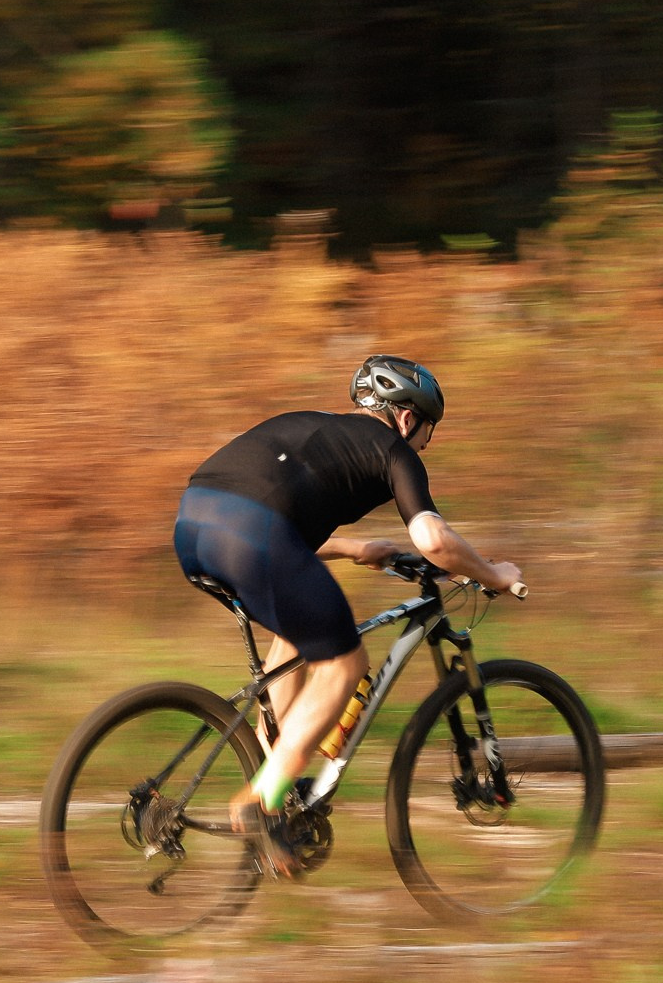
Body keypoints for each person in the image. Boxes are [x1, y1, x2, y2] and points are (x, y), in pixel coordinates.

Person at [174, 356, 525, 875]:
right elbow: (432, 540)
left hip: (194, 522)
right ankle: (262, 799)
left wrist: (356, 547)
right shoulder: (393, 452)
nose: (426, 443)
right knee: (344, 663)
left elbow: (266, 516)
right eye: (429, 430)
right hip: (251, 535)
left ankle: (277, 779)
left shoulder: (315, 429)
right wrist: (494, 573)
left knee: (299, 638)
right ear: (407, 418)